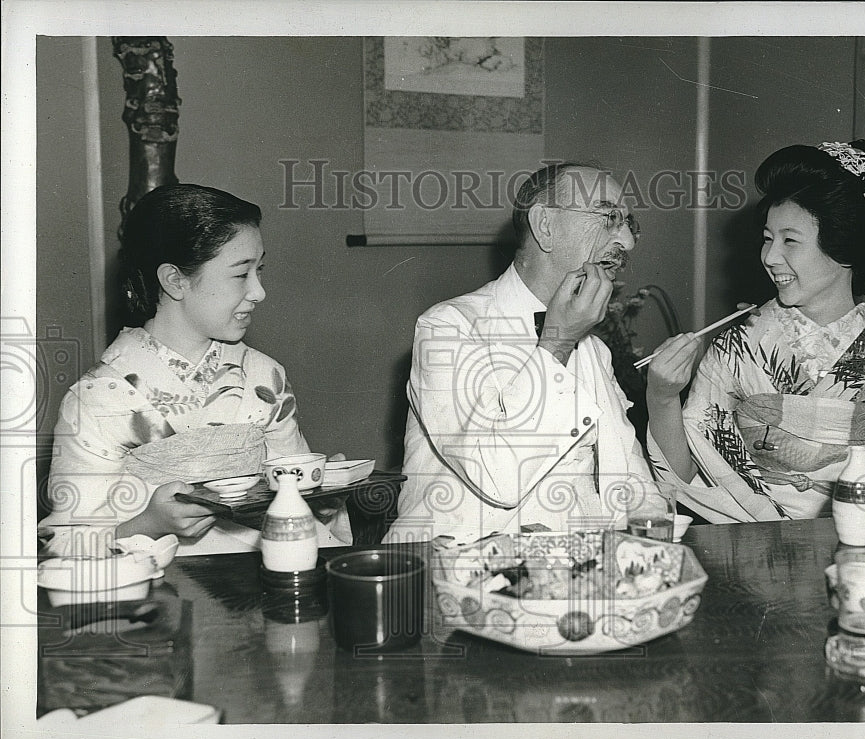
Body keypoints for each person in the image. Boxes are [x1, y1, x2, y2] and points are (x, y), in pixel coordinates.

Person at [644, 140, 865, 523]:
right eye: (768, 238)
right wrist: (661, 397)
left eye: (790, 240)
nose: (770, 257)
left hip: (855, 548)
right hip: (748, 545)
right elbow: (688, 475)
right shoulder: (737, 346)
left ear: (846, 248)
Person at [40, 184, 351, 556]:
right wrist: (149, 523)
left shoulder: (265, 378)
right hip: (154, 589)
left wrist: (325, 492)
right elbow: (63, 541)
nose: (259, 291)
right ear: (175, 280)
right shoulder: (97, 398)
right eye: (241, 274)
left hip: (268, 568)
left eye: (260, 270)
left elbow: (295, 499)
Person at [386, 163, 672, 543]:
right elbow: (497, 480)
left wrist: (652, 548)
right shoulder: (448, 327)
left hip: (574, 578)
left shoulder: (595, 350)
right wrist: (557, 342)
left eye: (628, 223)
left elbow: (630, 481)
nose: (628, 241)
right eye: (608, 217)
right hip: (452, 576)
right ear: (545, 226)